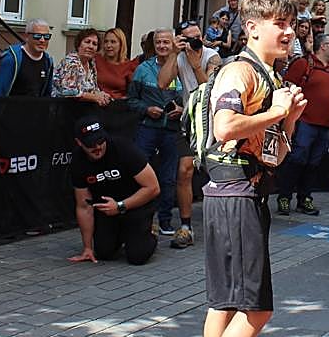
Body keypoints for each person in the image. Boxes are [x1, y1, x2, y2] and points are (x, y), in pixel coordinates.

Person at [174, 0, 306, 337]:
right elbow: (225, 127)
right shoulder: (240, 70)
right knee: (257, 307)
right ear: (252, 27)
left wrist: (287, 123)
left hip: (243, 192)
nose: (290, 31)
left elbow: (274, 154)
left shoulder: (266, 75)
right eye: (279, 23)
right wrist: (277, 111)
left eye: (291, 23)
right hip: (235, 194)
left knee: (225, 304)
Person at [157, 20, 218, 247]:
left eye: (198, 36)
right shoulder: (179, 56)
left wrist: (196, 66)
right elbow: (162, 82)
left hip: (215, 120)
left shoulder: (212, 56)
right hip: (190, 122)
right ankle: (185, 227)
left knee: (216, 172)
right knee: (184, 172)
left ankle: (222, 223)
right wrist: (174, 53)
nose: (195, 41)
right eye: (189, 37)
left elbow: (210, 89)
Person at [68, 117, 161, 265]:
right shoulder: (78, 161)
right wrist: (87, 248)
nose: (97, 147)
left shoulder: (123, 148)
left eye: (100, 141)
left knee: (137, 257)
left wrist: (121, 205)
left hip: (136, 204)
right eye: (91, 144)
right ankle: (123, 233)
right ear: (79, 143)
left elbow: (153, 187)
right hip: (107, 209)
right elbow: (83, 206)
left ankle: (150, 232)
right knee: (104, 252)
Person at [273, 33, 329, 216]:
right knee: (297, 159)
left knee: (313, 163)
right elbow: (287, 87)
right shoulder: (304, 64)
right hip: (304, 122)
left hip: (325, 124)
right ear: (322, 47)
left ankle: (305, 199)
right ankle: (284, 197)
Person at [128, 29, 183, 233]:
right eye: (158, 42)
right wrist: (146, 109)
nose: (162, 46)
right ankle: (144, 218)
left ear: (173, 44)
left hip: (171, 129)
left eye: (166, 42)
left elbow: (191, 97)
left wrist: (181, 110)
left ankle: (165, 220)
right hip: (147, 129)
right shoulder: (143, 69)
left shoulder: (180, 68)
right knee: (142, 174)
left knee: (168, 177)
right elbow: (131, 100)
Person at [0, 19, 55, 97]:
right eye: (37, 36)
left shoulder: (48, 61)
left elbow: (47, 95)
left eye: (46, 36)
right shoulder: (11, 59)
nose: (42, 40)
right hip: (10, 108)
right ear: (27, 36)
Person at [53, 28, 112, 105]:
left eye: (94, 44)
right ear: (78, 44)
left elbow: (92, 89)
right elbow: (69, 92)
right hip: (63, 108)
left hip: (82, 109)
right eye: (87, 42)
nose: (90, 46)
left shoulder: (91, 64)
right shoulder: (71, 61)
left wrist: (102, 95)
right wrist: (95, 97)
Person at [94, 27, 134, 100]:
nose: (108, 45)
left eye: (113, 42)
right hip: (96, 102)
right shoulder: (96, 59)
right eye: (106, 42)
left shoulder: (128, 65)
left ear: (121, 44)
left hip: (117, 105)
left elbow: (133, 92)